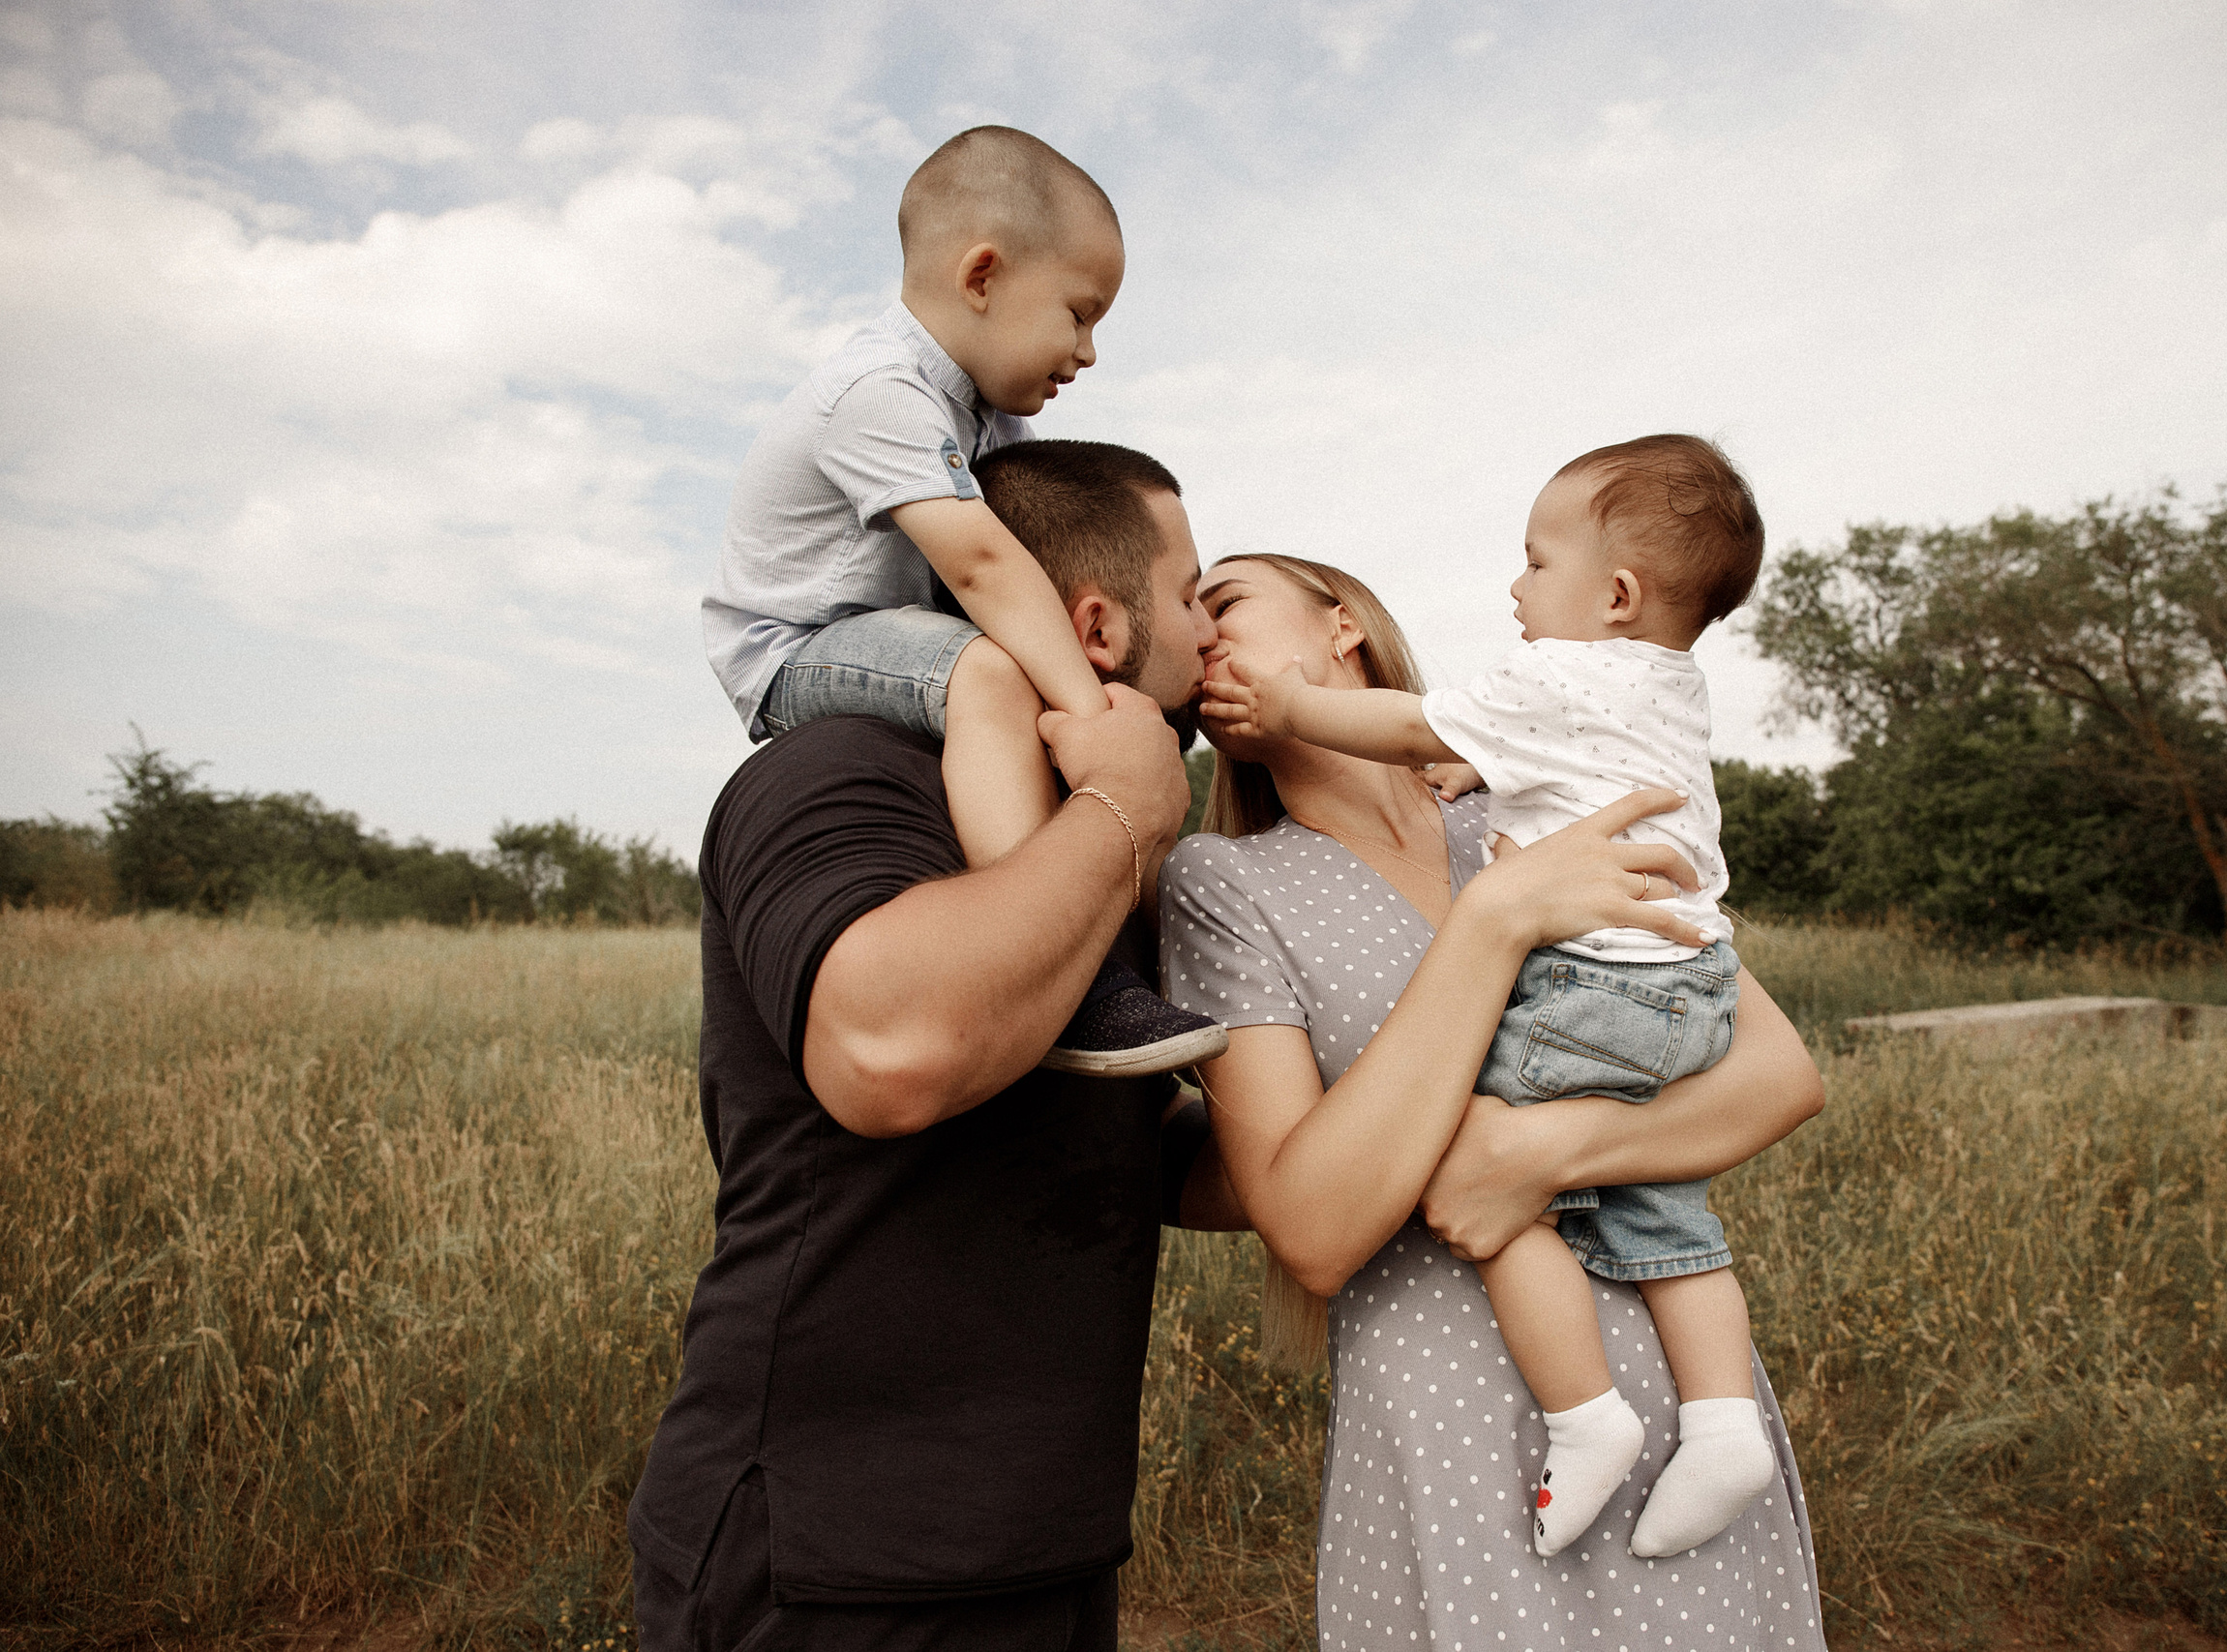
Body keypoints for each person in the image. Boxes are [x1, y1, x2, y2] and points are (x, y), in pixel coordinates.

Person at [633, 440, 1243, 1652]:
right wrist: (1128, 808)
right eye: (1188, 594)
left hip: (1045, 1538)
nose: (1210, 629)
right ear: (1097, 627)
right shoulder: (837, 771)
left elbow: (1103, 1135)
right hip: (834, 1550)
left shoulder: (1076, 832)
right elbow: (893, 1050)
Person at [1163, 554, 1828, 1648]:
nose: (1198, 640)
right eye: (1186, 625)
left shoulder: (1533, 807)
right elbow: (1314, 1231)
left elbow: (1775, 1074)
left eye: (1222, 602)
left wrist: (1540, 1152)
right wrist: (1494, 921)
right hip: (1448, 1398)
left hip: (1680, 1380)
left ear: (1343, 629)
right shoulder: (1225, 881)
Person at [700, 124, 1219, 1076]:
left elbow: (1030, 552)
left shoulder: (990, 415)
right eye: (1078, 312)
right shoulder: (878, 390)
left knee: (997, 669)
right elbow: (983, 567)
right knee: (987, 673)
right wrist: (1091, 714)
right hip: (791, 646)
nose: (1090, 350)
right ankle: (1073, 975)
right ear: (981, 275)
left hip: (882, 631)